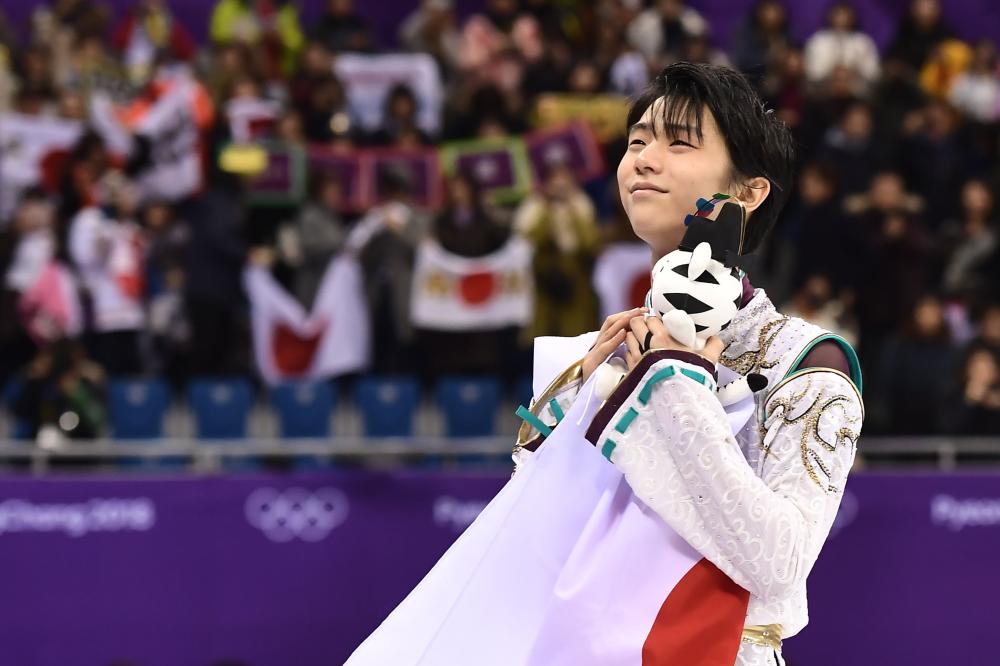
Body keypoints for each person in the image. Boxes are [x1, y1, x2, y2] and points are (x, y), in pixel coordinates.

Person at [349, 62, 863, 666]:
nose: (643, 159)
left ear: (749, 192)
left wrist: (671, 383)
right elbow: (539, 541)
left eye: (679, 141)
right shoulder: (598, 351)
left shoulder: (804, 358)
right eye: (637, 141)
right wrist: (568, 412)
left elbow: (779, 565)